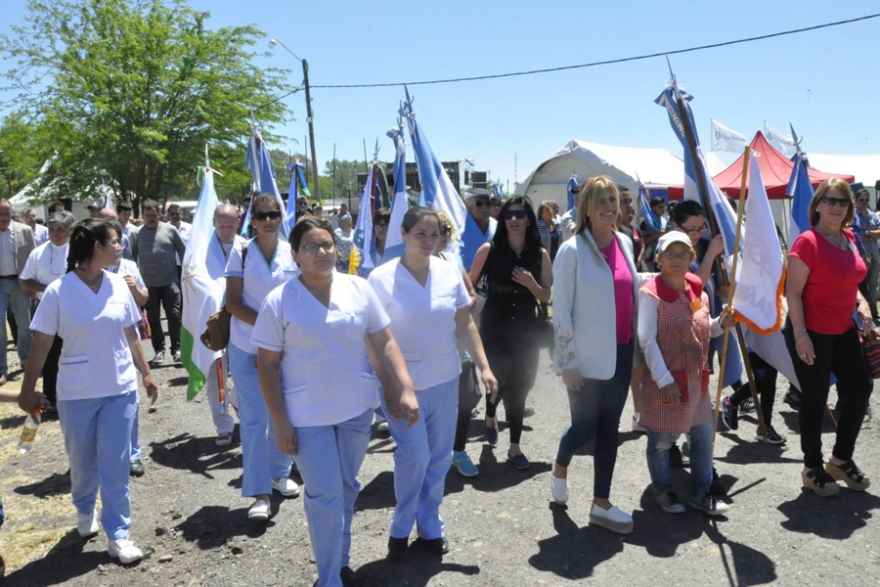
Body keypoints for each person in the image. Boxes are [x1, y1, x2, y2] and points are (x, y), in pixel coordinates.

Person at [253, 217, 419, 587]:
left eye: (327, 244)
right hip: (306, 416)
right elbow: (266, 365)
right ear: (295, 254)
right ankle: (328, 579)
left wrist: (402, 388)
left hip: (355, 410)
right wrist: (279, 423)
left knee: (345, 487)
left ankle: (340, 560)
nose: (322, 252)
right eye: (311, 246)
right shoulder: (279, 301)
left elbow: (384, 342)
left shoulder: (358, 288)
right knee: (325, 493)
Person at [18, 219, 158, 564]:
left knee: (116, 464)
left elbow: (131, 333)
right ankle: (84, 509)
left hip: (119, 389)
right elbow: (41, 344)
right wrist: (27, 389)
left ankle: (119, 534)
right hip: (77, 393)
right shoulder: (58, 291)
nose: (120, 248)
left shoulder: (118, 285)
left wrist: (147, 373)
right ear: (97, 247)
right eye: (115, 242)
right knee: (82, 464)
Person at [369, 207, 498, 558]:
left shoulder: (448, 272)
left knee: (439, 458)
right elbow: (372, 338)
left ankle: (429, 524)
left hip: (445, 379)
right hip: (401, 384)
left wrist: (484, 366)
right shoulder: (380, 279)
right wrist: (389, 385)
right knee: (414, 455)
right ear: (404, 234)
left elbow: (465, 323)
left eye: (435, 234)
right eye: (420, 234)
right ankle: (400, 527)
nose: (428, 241)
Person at [549, 177, 639, 535]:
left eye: (613, 199)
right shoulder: (571, 251)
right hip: (584, 359)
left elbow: (630, 291)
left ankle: (601, 503)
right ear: (585, 207)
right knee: (584, 428)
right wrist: (567, 361)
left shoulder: (626, 243)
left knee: (609, 429)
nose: (609, 206)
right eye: (600, 200)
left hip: (621, 351)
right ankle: (560, 465)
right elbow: (561, 311)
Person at [784, 178, 873, 497]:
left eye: (843, 201)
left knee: (861, 386)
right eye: (831, 200)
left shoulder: (848, 237)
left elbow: (854, 283)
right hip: (812, 331)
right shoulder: (806, 242)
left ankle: (840, 459)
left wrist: (862, 306)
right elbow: (792, 292)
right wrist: (800, 336)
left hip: (843, 329)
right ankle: (812, 467)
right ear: (818, 204)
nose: (837, 206)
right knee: (815, 396)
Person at [638, 232, 734, 516]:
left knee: (703, 437)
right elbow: (646, 339)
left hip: (696, 380)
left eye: (683, 254)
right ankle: (663, 489)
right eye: (670, 254)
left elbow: (704, 328)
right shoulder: (650, 293)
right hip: (665, 382)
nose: (677, 259)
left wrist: (720, 323)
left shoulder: (697, 289)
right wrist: (664, 379)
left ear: (692, 258)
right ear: (659, 259)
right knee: (661, 442)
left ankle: (701, 492)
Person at [225, 194, 299, 520]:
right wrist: (268, 328)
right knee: (255, 419)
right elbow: (233, 303)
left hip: (285, 348)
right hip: (246, 347)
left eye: (274, 214)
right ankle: (258, 493)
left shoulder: (292, 252)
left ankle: (279, 472)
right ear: (252, 220)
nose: (269, 219)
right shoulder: (240, 253)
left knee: (283, 413)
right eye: (261, 215)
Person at [469, 196, 551, 470]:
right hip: (494, 330)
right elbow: (469, 287)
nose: (514, 219)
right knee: (497, 385)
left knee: (521, 388)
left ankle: (515, 448)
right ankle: (491, 415)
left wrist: (530, 283)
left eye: (519, 214)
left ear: (529, 219)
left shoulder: (539, 255)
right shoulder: (488, 249)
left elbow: (547, 295)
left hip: (525, 332)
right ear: (503, 220)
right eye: (508, 215)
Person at [19, 211, 75, 415]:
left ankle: (76, 397)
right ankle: (50, 400)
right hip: (48, 312)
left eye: (60, 229)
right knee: (50, 358)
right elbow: (25, 280)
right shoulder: (38, 253)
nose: (55, 233)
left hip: (75, 312)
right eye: (52, 229)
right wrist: (46, 289)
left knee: (74, 355)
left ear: (69, 230)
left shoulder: (78, 251)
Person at [204, 203, 245, 447]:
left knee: (245, 369)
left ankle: (237, 399)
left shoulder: (247, 246)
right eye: (221, 226)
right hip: (212, 319)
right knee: (216, 373)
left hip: (240, 317)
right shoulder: (200, 249)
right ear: (213, 223)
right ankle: (223, 424)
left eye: (230, 226)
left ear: (238, 223)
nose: (226, 230)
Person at [129, 199, 186, 365]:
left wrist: (185, 274)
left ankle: (177, 349)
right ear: (142, 216)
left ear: (158, 214)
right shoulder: (136, 233)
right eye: (147, 216)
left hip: (170, 282)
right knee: (153, 319)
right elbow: (132, 257)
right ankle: (159, 351)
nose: (151, 218)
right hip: (148, 285)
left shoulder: (170, 230)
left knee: (174, 316)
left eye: (153, 215)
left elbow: (182, 251)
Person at [617, 186, 646, 433]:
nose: (629, 206)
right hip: (611, 310)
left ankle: (639, 414)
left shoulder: (631, 233)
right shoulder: (600, 235)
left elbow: (641, 253)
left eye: (629, 201)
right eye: (624, 201)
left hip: (634, 302)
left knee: (637, 364)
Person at [0, 198, 35, 387]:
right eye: (1, 214)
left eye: (8, 213)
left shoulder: (24, 231)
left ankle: (26, 360)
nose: (5, 217)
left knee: (24, 324)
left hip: (20, 283)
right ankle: (1, 369)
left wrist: (34, 285)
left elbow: (33, 259)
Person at [851, 188, 880, 323]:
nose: (864, 202)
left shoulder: (873, 215)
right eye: (861, 199)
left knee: (873, 285)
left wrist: (867, 233)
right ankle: (865, 313)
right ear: (856, 201)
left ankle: (874, 312)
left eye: (866, 199)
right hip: (861, 258)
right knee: (863, 287)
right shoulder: (853, 217)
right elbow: (857, 237)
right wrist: (871, 233)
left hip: (875, 256)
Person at [461, 189, 498, 271]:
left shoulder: (497, 226)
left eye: (488, 203)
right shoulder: (458, 228)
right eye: (479, 203)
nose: (484, 207)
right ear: (467, 205)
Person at [640, 196, 668, 271]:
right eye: (660, 207)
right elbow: (643, 241)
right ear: (653, 208)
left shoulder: (665, 222)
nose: (663, 209)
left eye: (664, 207)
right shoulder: (646, 223)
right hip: (650, 257)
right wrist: (658, 234)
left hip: (664, 255)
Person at [167, 203, 192, 283]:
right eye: (172, 214)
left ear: (181, 214)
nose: (175, 216)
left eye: (177, 213)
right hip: (169, 267)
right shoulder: (163, 228)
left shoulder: (190, 228)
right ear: (168, 215)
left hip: (186, 266)